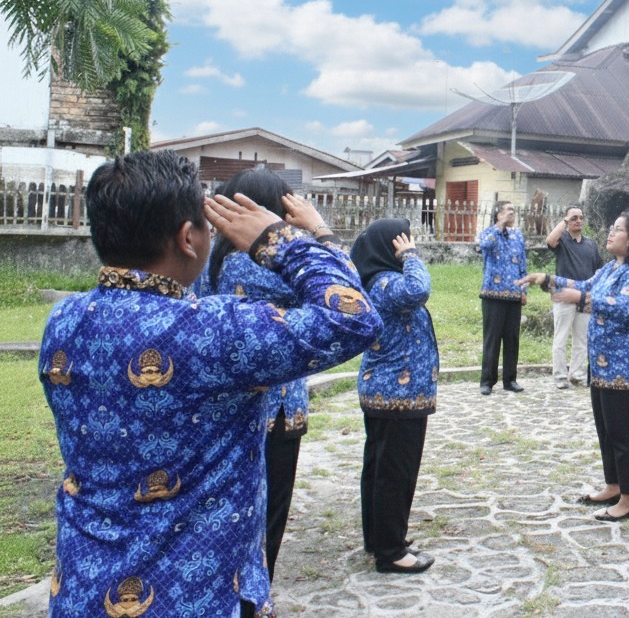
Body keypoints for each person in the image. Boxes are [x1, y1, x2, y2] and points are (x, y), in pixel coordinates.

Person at [38, 151, 380, 618]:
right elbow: (354, 318)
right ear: (187, 237)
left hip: (83, 586)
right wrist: (284, 239)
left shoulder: (64, 320)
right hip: (193, 594)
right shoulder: (213, 332)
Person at [204, 169, 331, 584]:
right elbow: (343, 292)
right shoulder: (278, 264)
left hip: (218, 403)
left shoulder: (209, 257)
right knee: (269, 511)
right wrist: (316, 230)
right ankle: (256, 595)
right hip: (276, 408)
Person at [518, 211, 629, 522]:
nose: (610, 233)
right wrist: (547, 279)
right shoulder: (610, 268)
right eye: (612, 227)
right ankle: (613, 485)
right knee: (606, 430)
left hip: (626, 367)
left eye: (618, 229)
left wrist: (580, 298)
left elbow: (621, 308)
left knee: (623, 433)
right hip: (602, 364)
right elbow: (584, 284)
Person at [351, 218, 439, 574]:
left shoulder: (379, 282)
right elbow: (418, 290)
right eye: (402, 240)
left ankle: (381, 538)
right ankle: (391, 551)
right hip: (396, 394)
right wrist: (412, 256)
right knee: (394, 473)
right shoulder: (387, 282)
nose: (409, 243)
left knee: (380, 469)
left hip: (389, 392)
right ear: (391, 247)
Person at [545, 204, 603, 388]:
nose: (578, 221)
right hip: (563, 295)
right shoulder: (562, 241)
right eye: (574, 218)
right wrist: (564, 222)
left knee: (581, 340)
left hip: (585, 297)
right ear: (567, 221)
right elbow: (549, 240)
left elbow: (598, 270)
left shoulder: (591, 244)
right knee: (560, 338)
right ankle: (560, 376)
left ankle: (577, 375)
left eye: (580, 217)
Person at [478, 200, 527, 395]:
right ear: (498, 215)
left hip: (514, 294)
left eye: (513, 210)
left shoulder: (518, 235)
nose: (511, 214)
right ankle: (487, 381)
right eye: (507, 211)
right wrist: (499, 226)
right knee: (492, 338)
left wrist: (524, 290)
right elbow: (485, 245)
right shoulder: (489, 232)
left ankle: (510, 379)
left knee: (512, 339)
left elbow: (522, 263)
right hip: (492, 294)